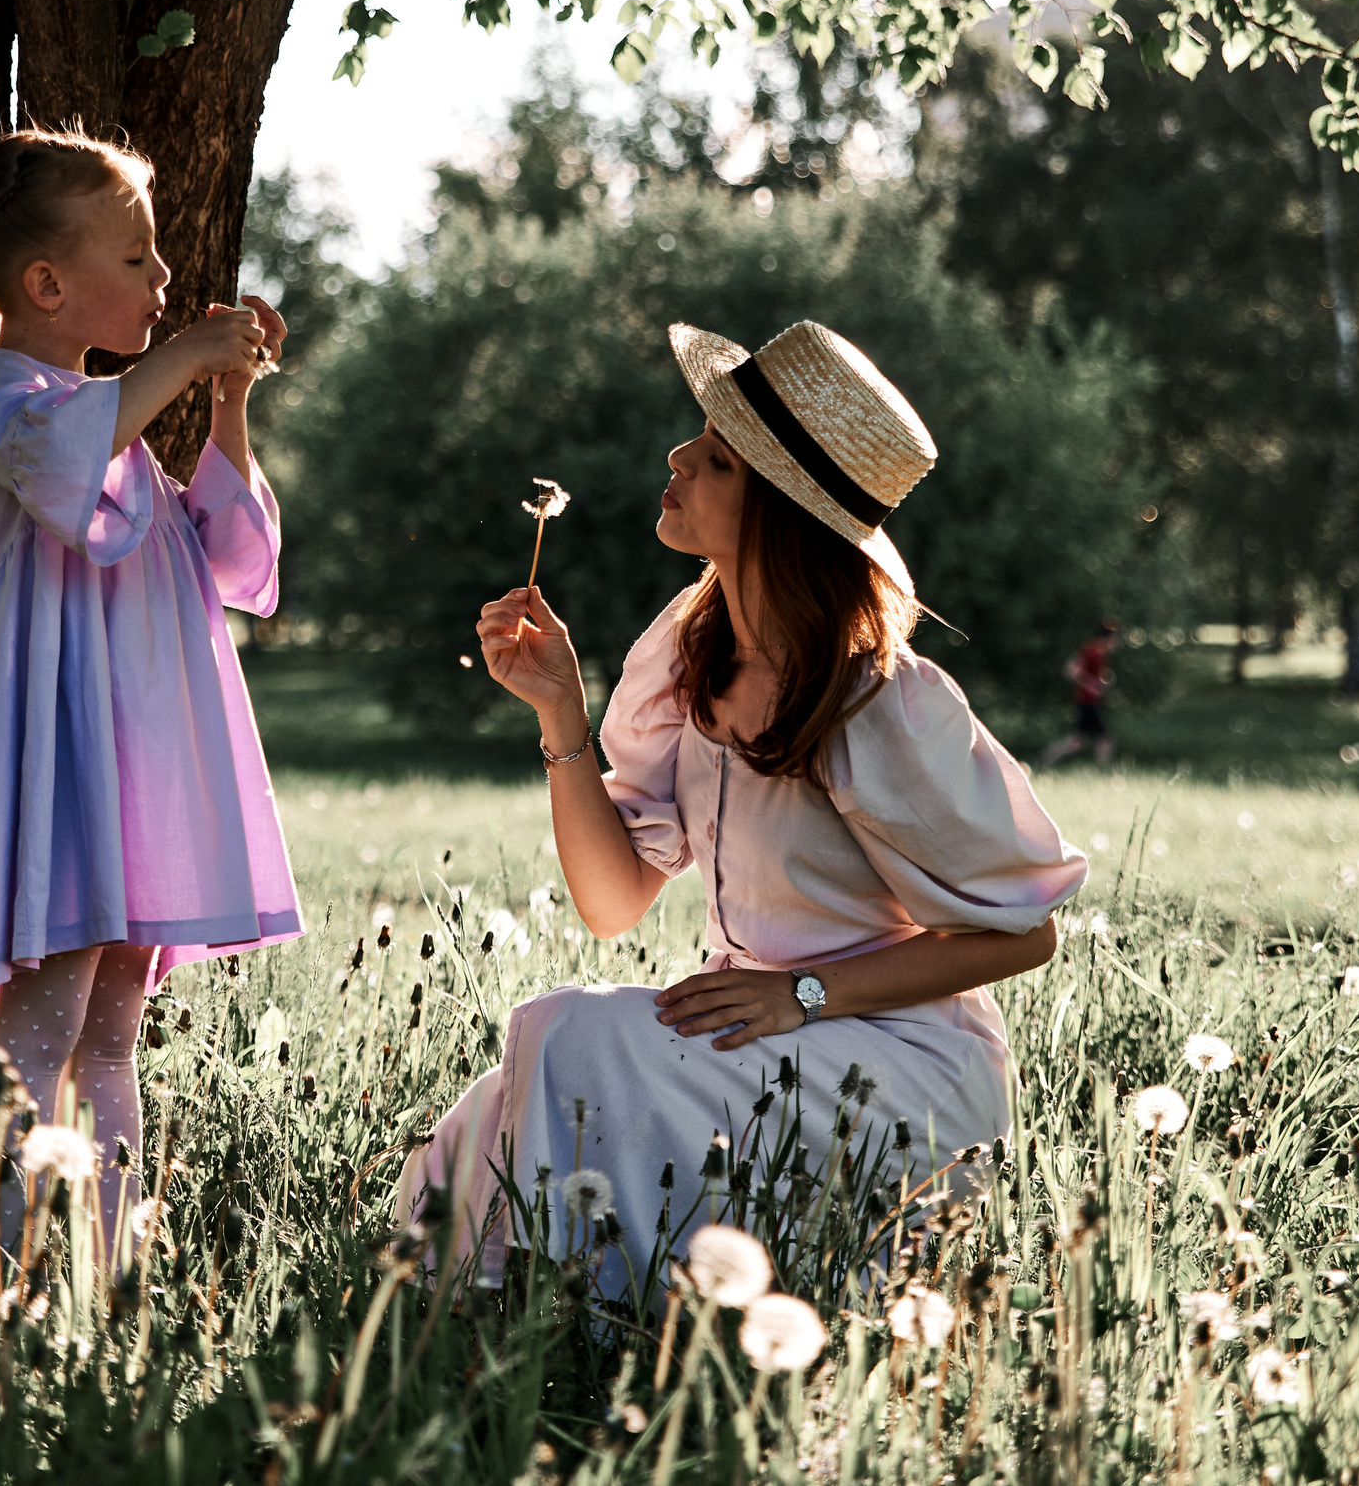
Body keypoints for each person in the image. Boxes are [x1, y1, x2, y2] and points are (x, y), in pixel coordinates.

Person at [398, 319, 1086, 1295]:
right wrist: (561, 712)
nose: (677, 456)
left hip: (893, 1060)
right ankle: (490, 1318)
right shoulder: (689, 647)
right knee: (495, 1108)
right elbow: (611, 902)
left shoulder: (881, 698)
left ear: (778, 512)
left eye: (715, 458)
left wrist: (799, 991)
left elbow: (1024, 936)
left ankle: (571, 1316)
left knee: (566, 1033)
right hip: (755, 1029)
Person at [0, 128, 303, 1266]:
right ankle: (2, 1272)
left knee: (113, 1039)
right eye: (137, 259)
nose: (166, 281)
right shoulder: (7, 399)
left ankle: (107, 1271)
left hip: (136, 775)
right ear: (46, 283)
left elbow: (233, 565)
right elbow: (61, 469)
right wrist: (178, 359)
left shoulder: (114, 426)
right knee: (39, 1036)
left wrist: (225, 402)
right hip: (59, 768)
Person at [1039, 620, 1121, 769]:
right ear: (1109, 636)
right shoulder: (1093, 651)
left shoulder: (1100, 653)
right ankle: (1104, 773)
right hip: (1087, 701)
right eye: (1115, 637)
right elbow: (1070, 670)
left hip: (1091, 702)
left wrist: (1101, 681)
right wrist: (1093, 685)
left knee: (1076, 742)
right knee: (1104, 740)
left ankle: (1043, 761)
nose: (1116, 641)